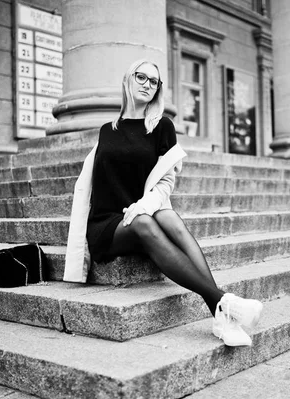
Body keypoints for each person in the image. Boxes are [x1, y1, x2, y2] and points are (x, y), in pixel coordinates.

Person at [64, 59, 263, 346]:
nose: (146, 84)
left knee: (168, 216)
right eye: (141, 77)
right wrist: (138, 211)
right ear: (128, 80)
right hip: (107, 224)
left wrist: (144, 204)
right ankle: (223, 302)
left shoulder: (160, 127)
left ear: (158, 90)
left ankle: (219, 312)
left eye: (153, 81)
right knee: (146, 220)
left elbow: (166, 181)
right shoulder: (107, 130)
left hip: (142, 212)